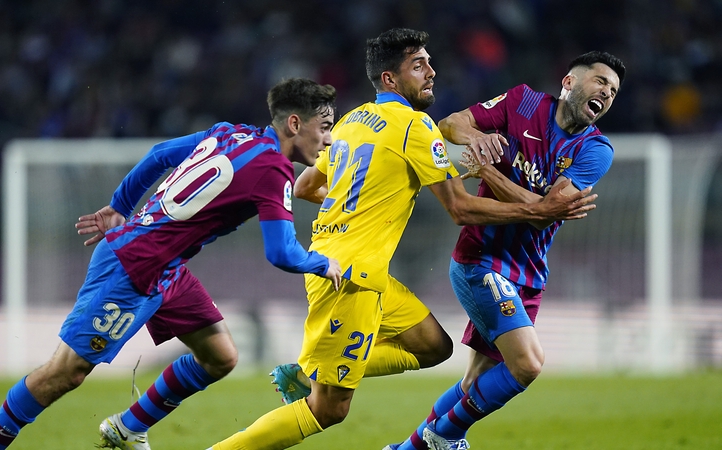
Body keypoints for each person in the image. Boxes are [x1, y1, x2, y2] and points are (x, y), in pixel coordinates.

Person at [207, 28, 598, 450]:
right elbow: (460, 209)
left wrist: (361, 202)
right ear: (391, 79)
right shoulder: (415, 126)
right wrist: (535, 211)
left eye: (429, 62)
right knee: (328, 409)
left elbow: (305, 187)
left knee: (432, 346)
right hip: (349, 277)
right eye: (419, 65)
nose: (431, 72)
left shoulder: (353, 119)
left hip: (352, 265)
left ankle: (309, 372)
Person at [0, 77, 343, 450]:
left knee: (220, 356)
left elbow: (158, 156)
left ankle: (127, 428)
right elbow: (282, 252)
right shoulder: (273, 168)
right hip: (135, 267)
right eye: (323, 127)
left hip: (164, 266)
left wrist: (121, 206)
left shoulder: (230, 132)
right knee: (65, 372)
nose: (328, 139)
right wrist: (323, 264)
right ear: (294, 123)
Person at [386, 51, 626, 450]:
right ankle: (444, 437)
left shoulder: (596, 150)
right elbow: (449, 124)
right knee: (527, 365)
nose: (608, 92)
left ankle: (407, 448)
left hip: (529, 272)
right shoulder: (522, 102)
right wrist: (478, 140)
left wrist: (486, 170)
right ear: (569, 82)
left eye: (614, 91)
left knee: (474, 383)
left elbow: (542, 214)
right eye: (601, 81)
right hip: (481, 259)